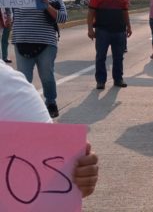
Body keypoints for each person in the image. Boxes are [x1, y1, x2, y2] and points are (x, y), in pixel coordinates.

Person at [0, 60, 99, 198]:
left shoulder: (8, 86)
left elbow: (51, 185)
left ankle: (51, 101)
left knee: (47, 74)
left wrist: (74, 174)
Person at [12, 0, 67, 118]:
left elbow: (62, 18)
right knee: (24, 79)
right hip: (22, 42)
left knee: (47, 76)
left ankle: (50, 102)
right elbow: (9, 13)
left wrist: (47, 5)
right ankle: (25, 106)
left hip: (46, 44)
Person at [87, 0, 132, 90]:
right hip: (103, 31)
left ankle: (118, 79)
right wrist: (90, 29)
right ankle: (100, 81)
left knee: (119, 57)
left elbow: (125, 12)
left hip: (119, 31)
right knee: (101, 56)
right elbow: (91, 13)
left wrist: (129, 26)